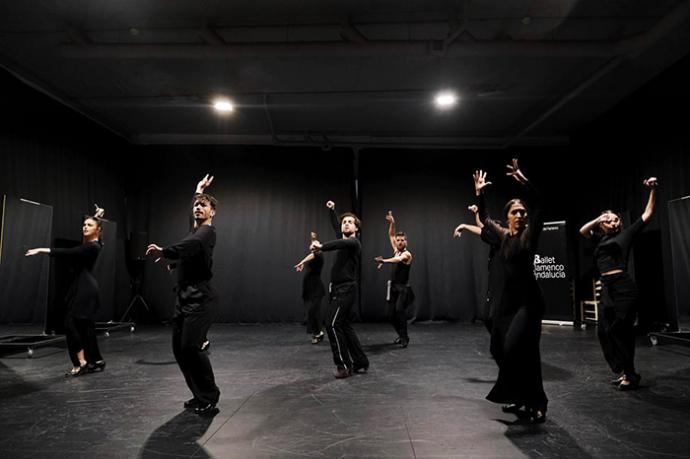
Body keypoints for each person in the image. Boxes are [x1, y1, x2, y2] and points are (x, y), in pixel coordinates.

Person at [475, 160, 548, 423]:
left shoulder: (530, 235)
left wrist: (524, 181)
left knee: (521, 349)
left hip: (529, 303)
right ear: (507, 216)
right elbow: (484, 219)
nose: (520, 215)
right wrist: (480, 193)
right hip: (507, 304)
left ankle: (537, 401)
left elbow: (540, 203)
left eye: (522, 212)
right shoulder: (504, 235)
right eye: (515, 212)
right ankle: (520, 395)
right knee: (498, 348)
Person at [146, 174, 220, 416]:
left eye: (203, 205)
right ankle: (198, 395)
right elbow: (190, 237)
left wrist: (167, 252)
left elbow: (193, 245)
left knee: (191, 347)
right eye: (196, 205)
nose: (198, 207)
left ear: (212, 212)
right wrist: (198, 189)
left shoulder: (207, 233)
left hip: (200, 298)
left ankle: (209, 395)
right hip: (183, 297)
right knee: (179, 349)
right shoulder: (193, 230)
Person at [579, 177, 658, 391]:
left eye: (616, 220)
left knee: (619, 331)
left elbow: (647, 214)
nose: (613, 222)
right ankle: (624, 370)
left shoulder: (626, 235)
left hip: (623, 288)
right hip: (606, 287)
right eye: (609, 220)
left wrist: (653, 190)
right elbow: (582, 231)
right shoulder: (599, 238)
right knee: (603, 331)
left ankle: (630, 374)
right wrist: (597, 219)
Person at [26, 205, 106, 376]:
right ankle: (96, 360)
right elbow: (92, 232)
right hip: (84, 287)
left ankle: (82, 362)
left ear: (98, 230)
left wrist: (42, 250)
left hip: (84, 290)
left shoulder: (92, 247)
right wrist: (96, 216)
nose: (84, 226)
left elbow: (68, 252)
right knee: (85, 327)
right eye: (83, 224)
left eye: (89, 225)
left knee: (71, 325)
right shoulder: (96, 243)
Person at [310, 200, 369, 379]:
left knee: (333, 324)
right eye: (345, 222)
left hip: (346, 289)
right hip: (337, 289)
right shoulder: (343, 238)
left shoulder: (353, 243)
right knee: (344, 325)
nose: (346, 224)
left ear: (356, 229)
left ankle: (343, 365)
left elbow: (338, 244)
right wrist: (332, 210)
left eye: (350, 222)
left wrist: (321, 246)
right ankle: (361, 361)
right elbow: (336, 227)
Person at [454, 205, 502, 335]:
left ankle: (503, 340)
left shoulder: (500, 240)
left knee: (495, 317)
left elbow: (482, 230)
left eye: (491, 230)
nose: (487, 231)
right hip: (493, 283)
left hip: (502, 285)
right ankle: (500, 339)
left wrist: (464, 225)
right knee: (488, 317)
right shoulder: (493, 239)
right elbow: (482, 227)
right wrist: (476, 214)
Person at [374, 211, 414, 348]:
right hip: (393, 288)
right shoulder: (396, 249)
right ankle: (401, 335)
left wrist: (384, 261)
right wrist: (392, 223)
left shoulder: (406, 254)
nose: (400, 242)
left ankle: (405, 338)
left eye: (403, 240)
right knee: (390, 315)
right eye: (398, 240)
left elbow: (398, 259)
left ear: (406, 242)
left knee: (399, 311)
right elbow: (391, 234)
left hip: (403, 289)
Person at [295, 232, 327, 344]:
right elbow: (311, 253)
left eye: (316, 245)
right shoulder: (312, 256)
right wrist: (303, 264)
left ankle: (318, 333)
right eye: (312, 245)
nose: (313, 246)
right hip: (308, 287)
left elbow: (313, 254)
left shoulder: (319, 255)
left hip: (317, 288)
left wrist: (302, 262)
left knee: (313, 311)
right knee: (311, 312)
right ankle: (318, 333)